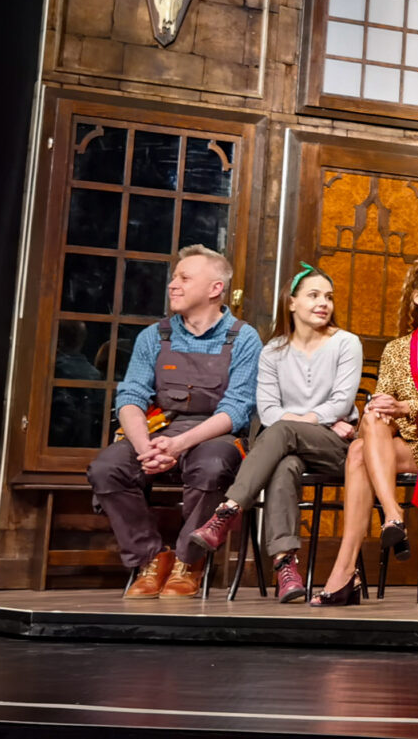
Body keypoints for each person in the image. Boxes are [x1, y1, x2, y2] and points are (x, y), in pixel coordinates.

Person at [86, 245, 261, 598]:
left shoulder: (243, 338)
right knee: (107, 468)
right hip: (158, 431)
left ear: (215, 288)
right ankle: (151, 558)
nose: (173, 285)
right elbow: (131, 398)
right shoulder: (154, 336)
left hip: (213, 433)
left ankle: (188, 560)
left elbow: (236, 411)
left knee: (212, 466)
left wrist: (178, 445)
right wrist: (144, 448)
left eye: (184, 278)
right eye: (173, 277)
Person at [310, 258, 418, 606]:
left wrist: (404, 408)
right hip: (400, 445)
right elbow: (384, 398)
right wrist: (381, 406)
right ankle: (390, 517)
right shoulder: (395, 349)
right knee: (370, 425)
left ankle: (348, 570)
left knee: (359, 451)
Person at [183, 264, 362, 602]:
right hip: (291, 445)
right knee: (283, 465)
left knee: (281, 432)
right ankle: (285, 566)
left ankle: (227, 511)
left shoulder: (346, 343)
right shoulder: (273, 352)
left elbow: (341, 403)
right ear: (291, 303)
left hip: (336, 448)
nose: (323, 303)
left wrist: (307, 422)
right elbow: (267, 411)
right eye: (313, 295)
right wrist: (318, 420)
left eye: (328, 297)